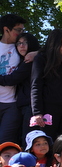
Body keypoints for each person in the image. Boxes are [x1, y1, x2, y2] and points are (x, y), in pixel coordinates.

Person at [31, 29, 62, 138]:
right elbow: (36, 85)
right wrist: (37, 112)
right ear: (54, 44)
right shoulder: (41, 58)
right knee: (48, 140)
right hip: (49, 108)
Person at [0, 32, 39, 143]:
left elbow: (12, 79)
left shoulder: (31, 61)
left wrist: (37, 53)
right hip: (22, 106)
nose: (21, 46)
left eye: (25, 43)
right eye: (19, 43)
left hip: (31, 107)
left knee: (27, 140)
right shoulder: (23, 60)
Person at [0, 14, 26, 144]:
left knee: (5, 144)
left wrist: (35, 53)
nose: (21, 33)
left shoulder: (21, 48)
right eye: (18, 30)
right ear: (6, 30)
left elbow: (46, 53)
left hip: (11, 105)